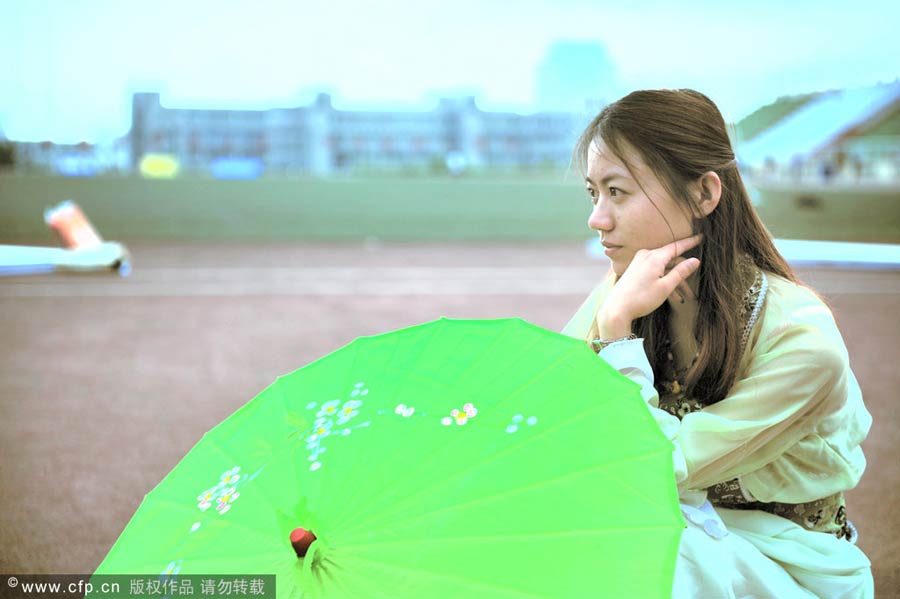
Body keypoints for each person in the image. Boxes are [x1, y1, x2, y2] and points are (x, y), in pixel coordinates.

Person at [562, 89, 873, 598]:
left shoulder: (801, 339)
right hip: (692, 534)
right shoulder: (625, 292)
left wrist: (616, 335)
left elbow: (655, 471)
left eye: (617, 191)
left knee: (636, 545)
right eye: (593, 193)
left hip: (792, 564)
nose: (598, 219)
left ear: (705, 194)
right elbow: (554, 409)